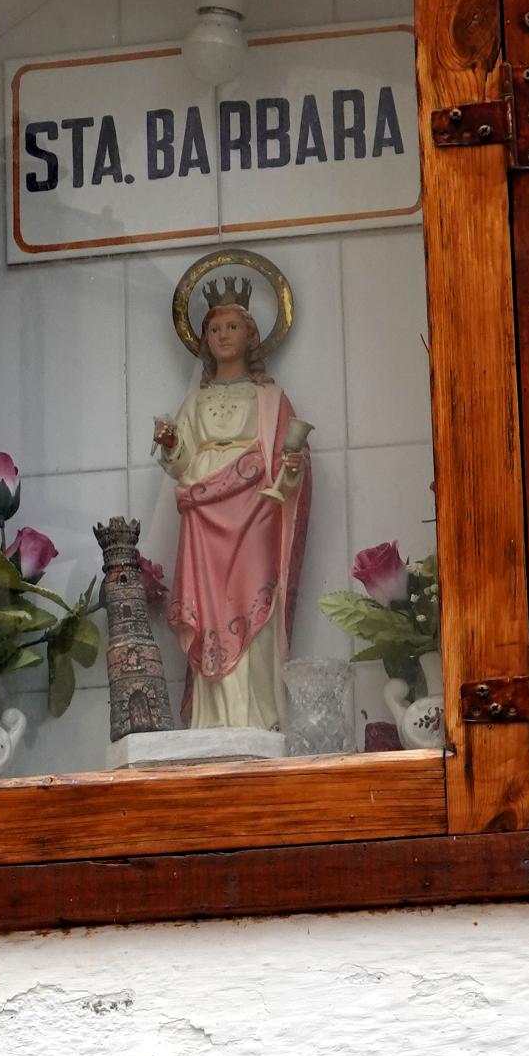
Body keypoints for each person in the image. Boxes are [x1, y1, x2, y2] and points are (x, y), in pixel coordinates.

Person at [151, 289, 310, 733]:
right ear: (204, 340)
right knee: (211, 612)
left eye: (232, 327)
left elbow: (289, 469)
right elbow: (181, 463)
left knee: (254, 599)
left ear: (251, 336)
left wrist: (291, 469)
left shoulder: (271, 399)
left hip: (256, 512)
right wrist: (170, 443)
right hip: (203, 517)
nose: (223, 336)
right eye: (214, 329)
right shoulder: (195, 401)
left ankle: (258, 718)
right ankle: (215, 721)